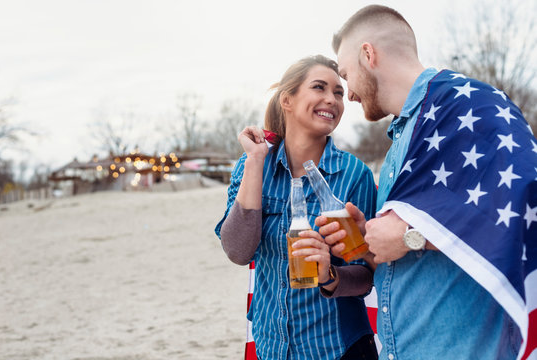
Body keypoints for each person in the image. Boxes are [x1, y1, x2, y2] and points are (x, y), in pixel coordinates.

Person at [316, 4, 537, 360]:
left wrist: (408, 237)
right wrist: (369, 237)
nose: (349, 93)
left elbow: (520, 210)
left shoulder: (473, 106)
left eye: (345, 75)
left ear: (368, 54)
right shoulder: (402, 141)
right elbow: (426, 238)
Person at [214, 55, 379, 359]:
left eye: (339, 92)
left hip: (338, 348)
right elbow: (238, 251)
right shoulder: (252, 165)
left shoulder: (356, 175)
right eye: (319, 87)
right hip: (271, 347)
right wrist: (254, 161)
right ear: (287, 100)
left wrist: (331, 277)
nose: (332, 99)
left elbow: (368, 272)